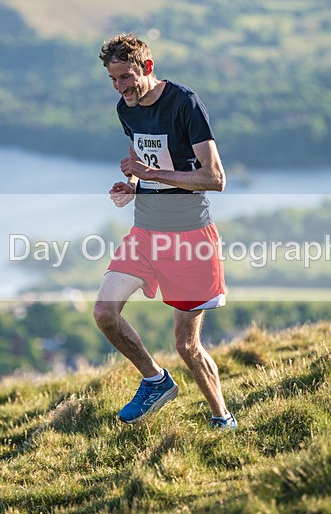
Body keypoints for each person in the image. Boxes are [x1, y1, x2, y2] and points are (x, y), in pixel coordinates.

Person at [93, 33, 236, 430]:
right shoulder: (128, 110)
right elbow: (147, 161)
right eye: (113, 80)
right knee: (105, 312)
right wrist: (135, 186)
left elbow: (214, 178)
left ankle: (222, 419)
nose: (121, 88)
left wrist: (150, 174)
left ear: (148, 68)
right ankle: (155, 381)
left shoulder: (185, 104)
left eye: (126, 77)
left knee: (187, 346)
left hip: (190, 239)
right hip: (145, 234)